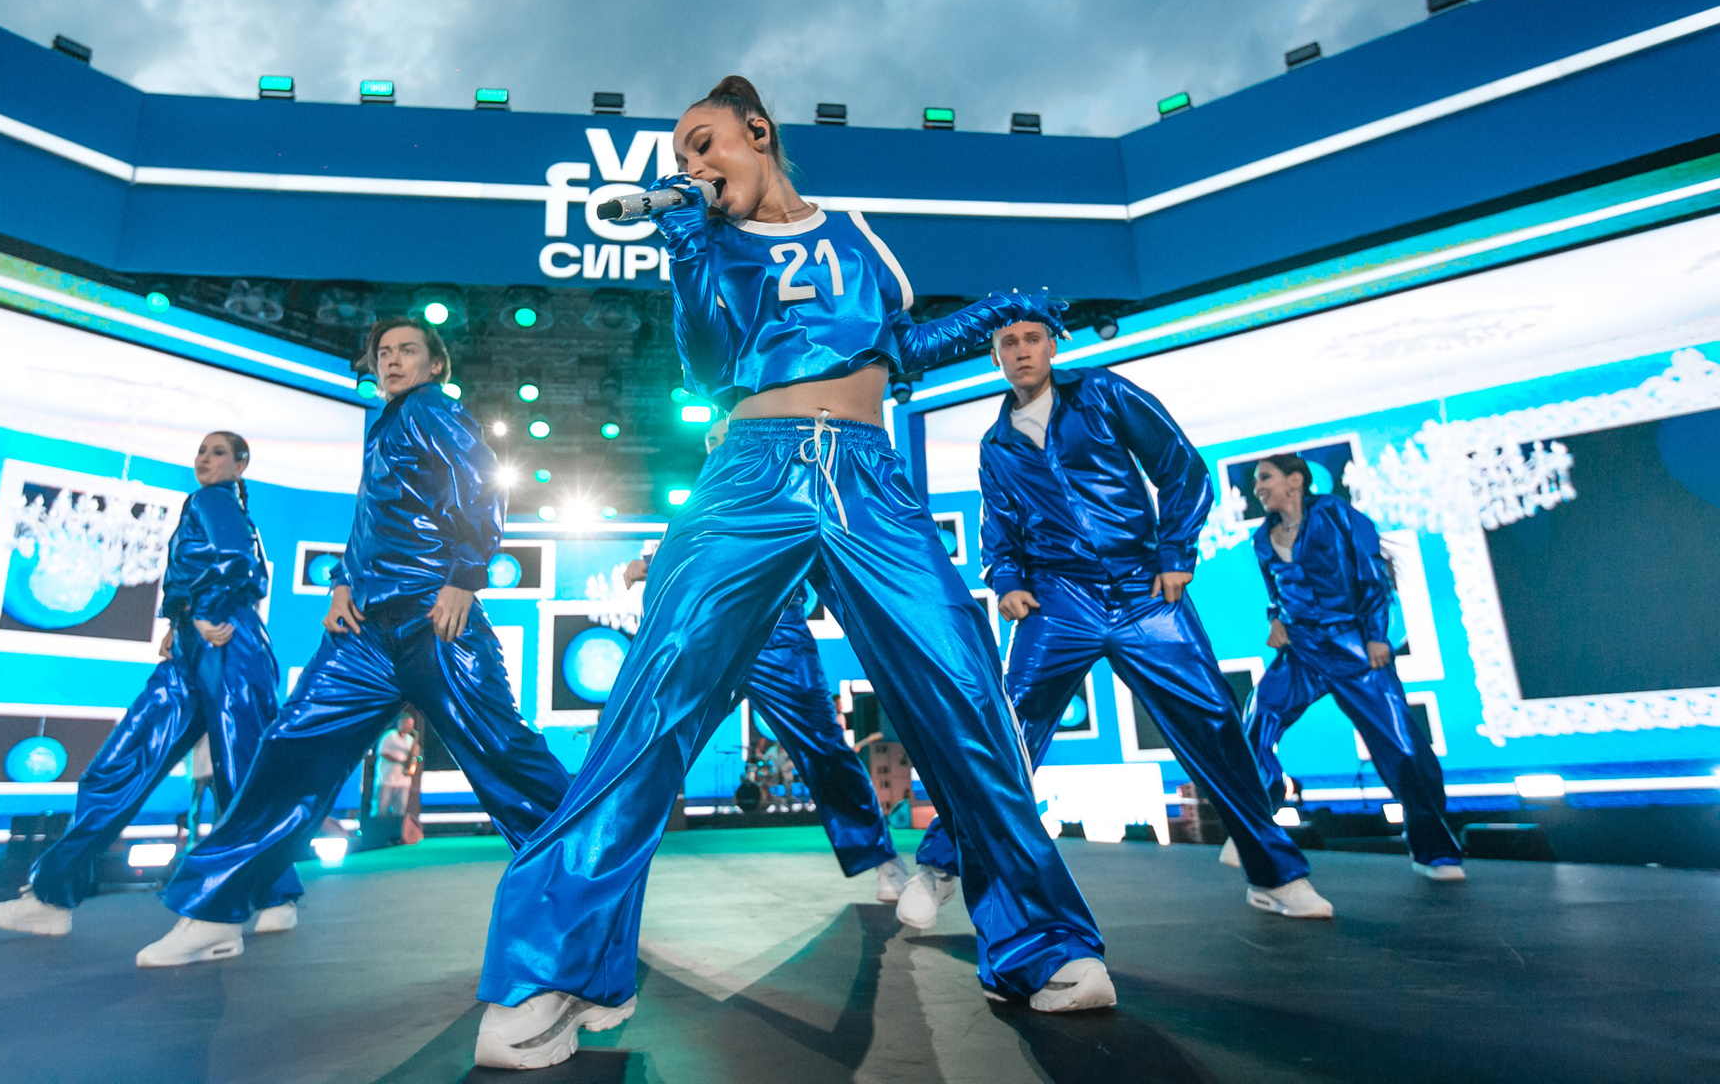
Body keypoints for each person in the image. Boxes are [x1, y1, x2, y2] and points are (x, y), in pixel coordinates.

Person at [474, 76, 1109, 1072]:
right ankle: (557, 967)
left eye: (703, 143)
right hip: (750, 476)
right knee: (651, 701)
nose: (691, 164)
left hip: (868, 477)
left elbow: (896, 349)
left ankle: (1041, 944)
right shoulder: (708, 241)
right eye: (679, 156)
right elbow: (704, 365)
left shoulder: (859, 237)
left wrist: (995, 312)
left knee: (967, 696)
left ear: (758, 132)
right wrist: (687, 250)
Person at [135, 316, 572, 967]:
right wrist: (343, 581)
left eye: (407, 351)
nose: (392, 360)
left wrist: (464, 577)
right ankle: (215, 910)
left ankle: (592, 885)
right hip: (364, 633)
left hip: (431, 620)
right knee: (289, 749)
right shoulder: (383, 424)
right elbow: (371, 520)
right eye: (384, 352)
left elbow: (482, 484)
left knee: (506, 756)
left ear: (434, 364)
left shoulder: (432, 410)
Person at [904, 320, 1334, 928]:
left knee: (1214, 725)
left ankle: (1276, 875)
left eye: (1033, 339)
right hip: (1058, 599)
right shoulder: (996, 444)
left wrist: (1175, 552)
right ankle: (940, 867)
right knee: (1007, 729)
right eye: (1009, 344)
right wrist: (1007, 581)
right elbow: (999, 527)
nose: (1022, 351)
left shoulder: (1103, 393)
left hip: (1144, 591)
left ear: (1053, 345)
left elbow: (1181, 468)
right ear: (996, 357)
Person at [0, 432, 304, 939]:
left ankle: (275, 895)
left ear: (241, 465)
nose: (205, 459)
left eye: (218, 452)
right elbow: (203, 570)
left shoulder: (213, 502)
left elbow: (240, 561)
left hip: (227, 639)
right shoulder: (207, 503)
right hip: (199, 641)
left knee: (236, 772)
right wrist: (180, 621)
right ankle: (51, 895)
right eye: (201, 451)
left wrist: (203, 613)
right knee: (124, 763)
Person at [621, 551, 910, 901]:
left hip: (778, 632)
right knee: (655, 737)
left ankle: (882, 857)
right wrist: (656, 561)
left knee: (824, 749)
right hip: (714, 630)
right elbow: (705, 528)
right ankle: (602, 867)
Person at [1237, 455, 1464, 880]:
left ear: (1295, 479)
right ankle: (1256, 822)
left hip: (1353, 647)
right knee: (1255, 721)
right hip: (1303, 649)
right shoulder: (1262, 538)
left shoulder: (1335, 514)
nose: (1258, 488)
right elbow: (1275, 594)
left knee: (1403, 747)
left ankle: (1435, 850)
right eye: (1256, 481)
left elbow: (1371, 575)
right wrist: (1275, 620)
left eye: (1265, 477)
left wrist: (1377, 635)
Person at [375, 712, 419, 817]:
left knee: (400, 810)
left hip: (403, 781)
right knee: (382, 809)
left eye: (412, 724)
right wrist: (400, 761)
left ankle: (397, 826)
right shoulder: (390, 736)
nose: (410, 727)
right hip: (387, 779)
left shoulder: (410, 739)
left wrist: (415, 755)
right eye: (408, 724)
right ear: (400, 723)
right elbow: (382, 752)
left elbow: (414, 757)